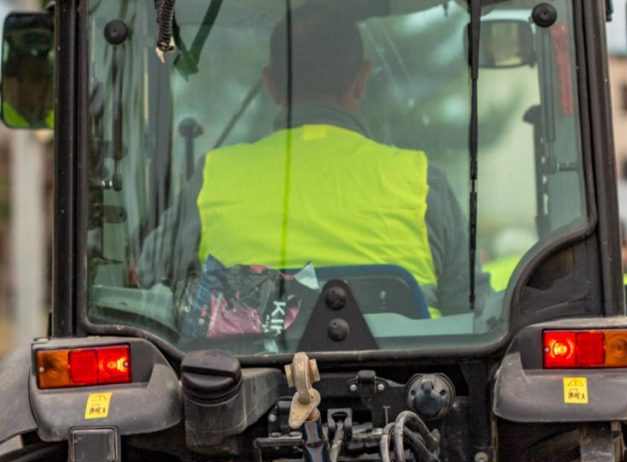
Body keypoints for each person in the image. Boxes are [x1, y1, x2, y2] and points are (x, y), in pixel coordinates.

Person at [138, 2, 486, 317]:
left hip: (236, 369)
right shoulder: (421, 180)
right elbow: (471, 310)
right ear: (361, 79)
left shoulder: (214, 177)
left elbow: (147, 279)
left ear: (271, 85)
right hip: (415, 369)